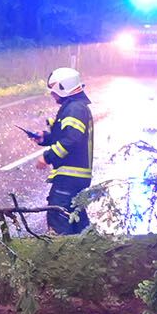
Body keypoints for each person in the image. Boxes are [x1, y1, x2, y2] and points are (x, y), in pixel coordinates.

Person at [35, 67, 93, 233]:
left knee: (57, 216)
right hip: (75, 176)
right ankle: (91, 252)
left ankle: (61, 257)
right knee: (77, 219)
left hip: (70, 176)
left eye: (54, 90)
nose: (52, 94)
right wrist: (45, 138)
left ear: (63, 87)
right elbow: (67, 136)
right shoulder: (75, 107)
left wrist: (48, 157)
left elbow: (72, 140)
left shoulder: (75, 109)